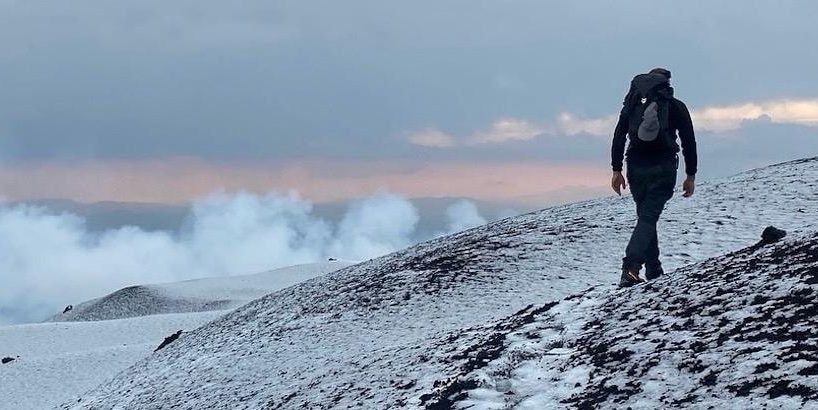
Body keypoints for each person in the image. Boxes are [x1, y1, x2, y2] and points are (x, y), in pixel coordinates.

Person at [611, 67, 697, 287]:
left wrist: (616, 170)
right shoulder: (675, 106)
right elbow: (688, 140)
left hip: (636, 167)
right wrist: (690, 174)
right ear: (666, 84)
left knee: (646, 218)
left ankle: (654, 270)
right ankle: (630, 268)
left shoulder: (631, 106)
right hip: (663, 167)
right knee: (648, 218)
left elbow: (619, 135)